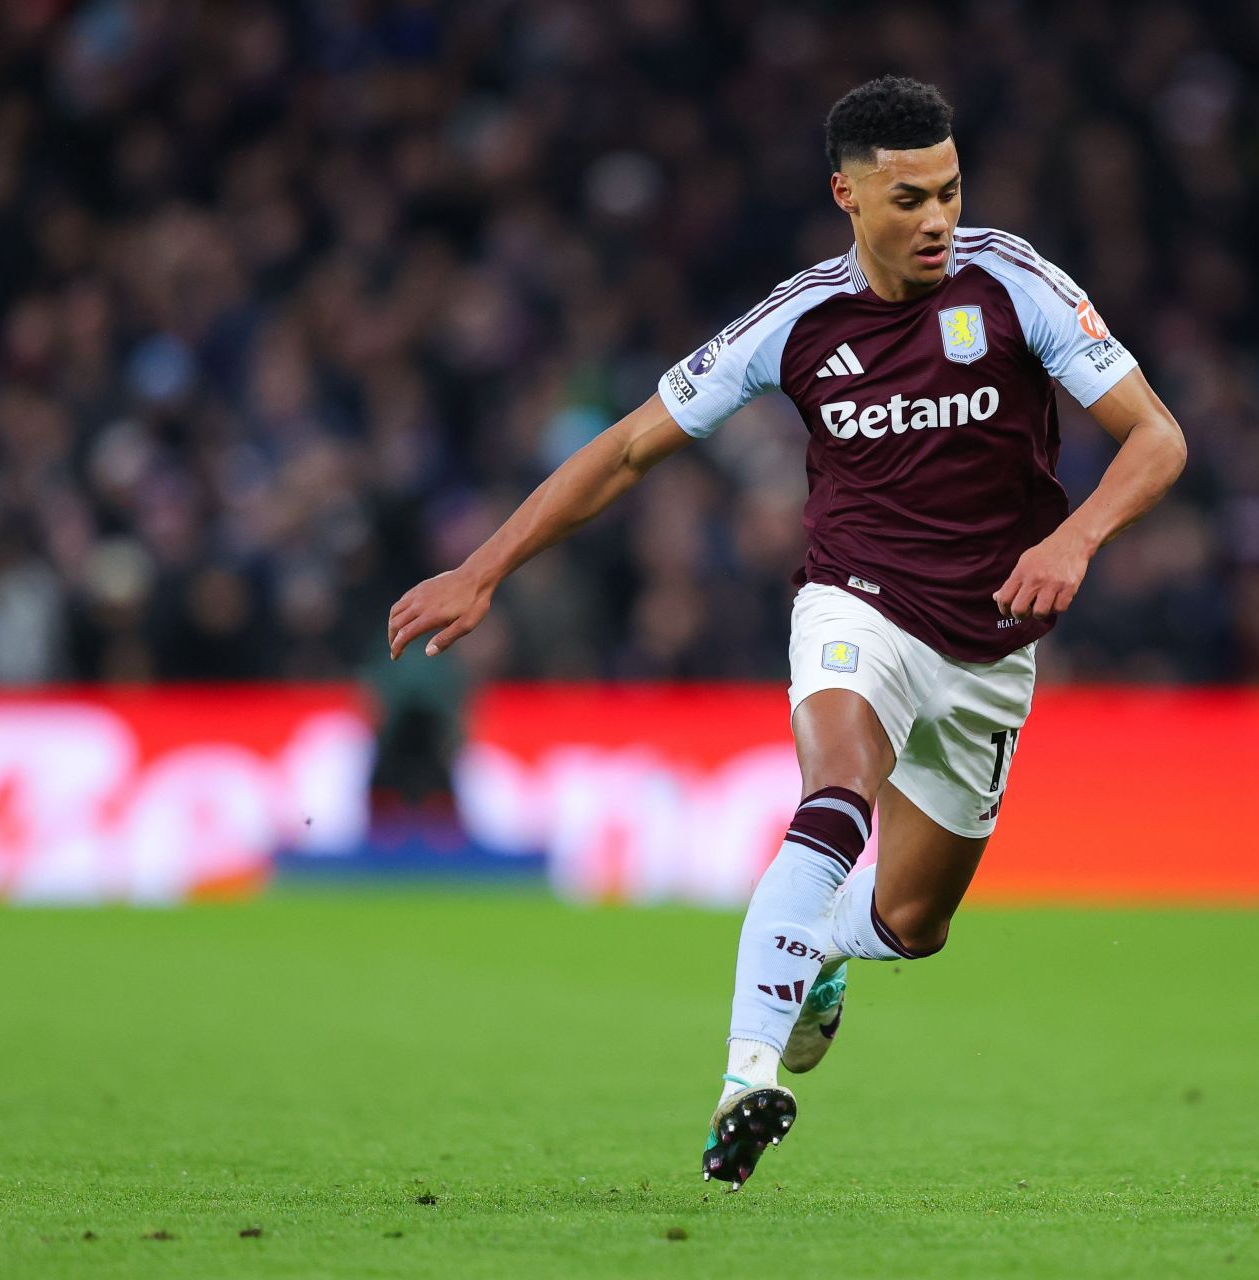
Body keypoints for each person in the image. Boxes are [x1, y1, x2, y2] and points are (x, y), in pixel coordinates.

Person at [387, 75, 1187, 1188]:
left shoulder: (1016, 283)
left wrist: (1078, 538)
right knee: (836, 787)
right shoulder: (797, 320)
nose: (939, 219)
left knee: (913, 921)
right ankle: (747, 1078)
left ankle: (820, 956)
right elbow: (625, 449)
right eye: (909, 197)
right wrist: (483, 570)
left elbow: (1156, 437)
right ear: (846, 197)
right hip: (856, 602)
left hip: (994, 644)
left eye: (951, 190)